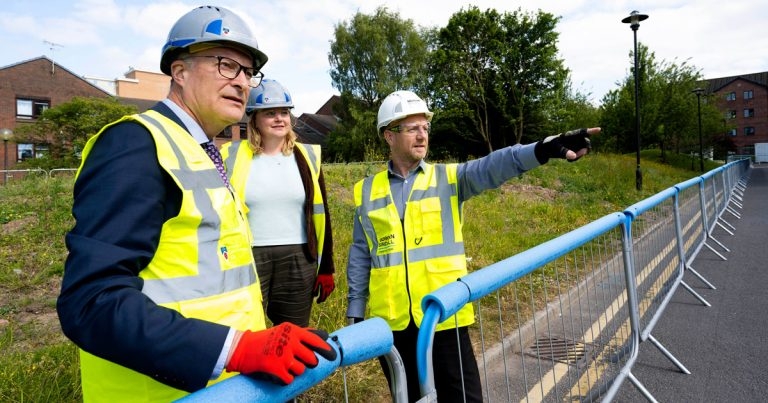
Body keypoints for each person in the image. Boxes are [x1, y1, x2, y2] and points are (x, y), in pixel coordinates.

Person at [57, 6, 335, 402]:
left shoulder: (202, 151)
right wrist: (236, 349)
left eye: (247, 71)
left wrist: (256, 344)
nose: (242, 83)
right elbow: (91, 303)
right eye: (226, 65)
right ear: (179, 71)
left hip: (224, 387)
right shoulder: (136, 145)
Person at [345, 90, 598, 402]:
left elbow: (496, 165)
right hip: (394, 325)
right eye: (413, 128)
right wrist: (355, 309)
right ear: (389, 136)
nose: (422, 135)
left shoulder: (449, 179)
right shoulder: (367, 191)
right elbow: (361, 252)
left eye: (425, 127)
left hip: (444, 317)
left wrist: (542, 149)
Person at [220, 78, 335, 328]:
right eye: (270, 113)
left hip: (298, 258)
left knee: (294, 335)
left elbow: (322, 213)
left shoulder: (307, 156)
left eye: (284, 112)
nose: (279, 119)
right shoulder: (230, 156)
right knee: (248, 331)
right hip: (248, 257)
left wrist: (326, 267)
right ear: (254, 119)